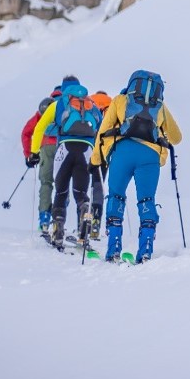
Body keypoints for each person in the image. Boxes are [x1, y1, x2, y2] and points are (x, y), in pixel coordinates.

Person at [92, 69, 182, 264]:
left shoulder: (119, 100)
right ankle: (145, 251)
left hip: (122, 153)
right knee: (146, 200)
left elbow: (103, 130)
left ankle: (113, 250)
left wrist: (96, 160)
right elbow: (177, 137)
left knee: (116, 196)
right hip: (150, 157)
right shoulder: (160, 107)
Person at [31, 75, 102, 251]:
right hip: (87, 150)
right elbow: (101, 127)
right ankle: (85, 210)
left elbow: (40, 127)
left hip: (64, 149)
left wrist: (34, 152)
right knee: (81, 193)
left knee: (61, 192)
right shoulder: (90, 104)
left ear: (64, 89)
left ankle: (58, 229)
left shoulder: (57, 104)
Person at [22, 85, 61, 235]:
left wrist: (30, 154)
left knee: (46, 183)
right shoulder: (66, 106)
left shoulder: (44, 107)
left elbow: (26, 132)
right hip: (63, 147)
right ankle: (59, 219)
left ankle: (44, 218)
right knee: (61, 185)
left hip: (45, 148)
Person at [85, 90, 112, 240]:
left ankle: (83, 222)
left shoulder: (89, 101)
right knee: (98, 184)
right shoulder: (112, 102)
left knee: (84, 185)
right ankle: (96, 219)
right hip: (105, 149)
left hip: (89, 147)